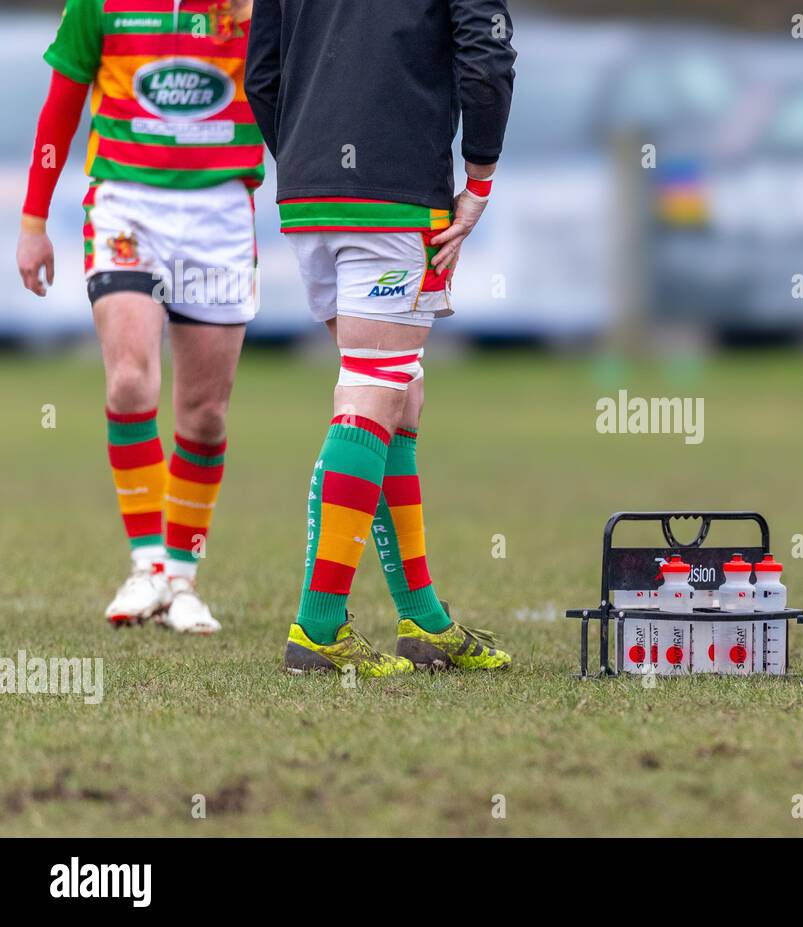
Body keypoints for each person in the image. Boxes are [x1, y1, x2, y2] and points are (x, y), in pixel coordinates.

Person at [245, 0, 517, 676]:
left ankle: (422, 619)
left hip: (307, 189)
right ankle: (318, 626)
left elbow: (261, 74)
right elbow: (486, 53)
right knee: (374, 386)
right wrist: (479, 175)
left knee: (401, 392)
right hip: (390, 188)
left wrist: (313, 158)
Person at [16, 0, 268, 634]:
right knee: (131, 379)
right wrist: (33, 222)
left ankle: (181, 579)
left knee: (205, 414)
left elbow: (297, 90)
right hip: (127, 203)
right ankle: (148, 563)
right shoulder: (98, 4)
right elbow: (59, 111)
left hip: (220, 213)